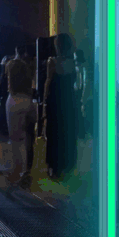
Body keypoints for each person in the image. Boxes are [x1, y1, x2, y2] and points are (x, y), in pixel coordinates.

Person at [43, 32, 79, 178]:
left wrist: (44, 102)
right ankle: (68, 165)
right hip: (70, 101)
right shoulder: (74, 62)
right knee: (68, 133)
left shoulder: (52, 61)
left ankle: (54, 167)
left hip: (55, 102)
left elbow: (48, 81)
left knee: (54, 134)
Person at [6, 58, 37, 183]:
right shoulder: (27, 77)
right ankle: (27, 170)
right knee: (29, 139)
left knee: (16, 140)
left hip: (14, 104)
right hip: (28, 102)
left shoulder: (12, 85)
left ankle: (17, 172)